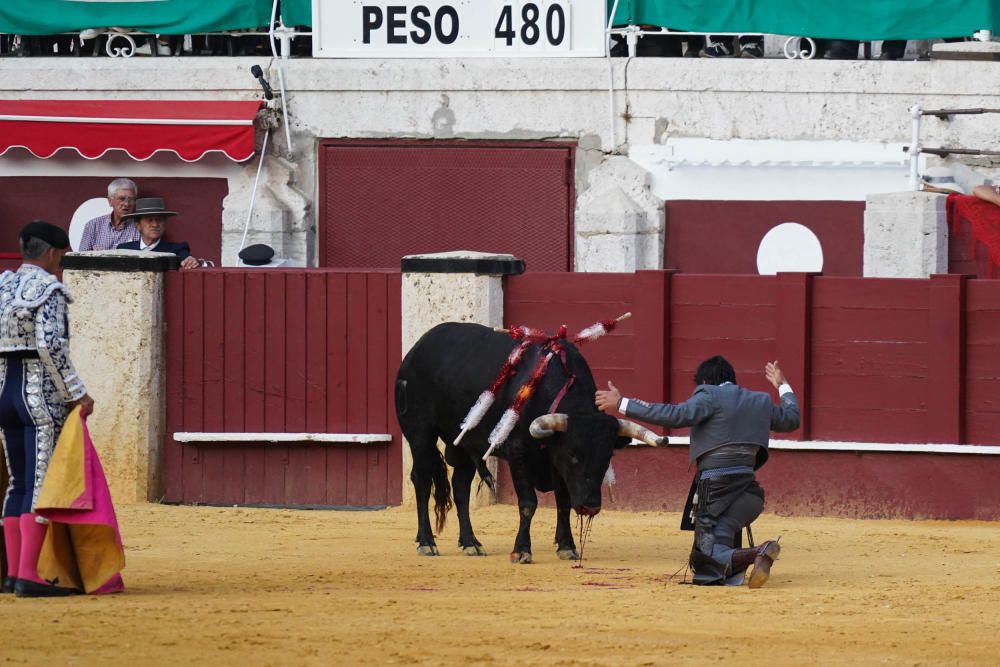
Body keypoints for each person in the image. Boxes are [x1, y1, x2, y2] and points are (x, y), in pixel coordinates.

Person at [595, 356, 799, 588]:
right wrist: (782, 384)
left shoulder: (708, 395)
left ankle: (757, 552)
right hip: (750, 496)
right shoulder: (760, 401)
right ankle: (753, 556)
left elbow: (674, 415)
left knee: (704, 560)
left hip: (715, 490)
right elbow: (792, 418)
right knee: (718, 548)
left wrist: (622, 403)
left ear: (704, 382)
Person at [0, 221, 94, 597]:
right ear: (53, 253)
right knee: (39, 486)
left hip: (3, 394)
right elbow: (50, 346)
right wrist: (77, 393)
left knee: (17, 484)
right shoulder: (50, 290)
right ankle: (28, 576)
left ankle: (11, 576)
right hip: (38, 397)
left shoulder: (3, 287)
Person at [115, 198, 208, 270]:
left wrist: (190, 261)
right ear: (138, 225)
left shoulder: (176, 249)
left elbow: (186, 258)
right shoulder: (124, 249)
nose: (155, 224)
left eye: (159, 220)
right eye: (149, 220)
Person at [78, 178, 141, 251]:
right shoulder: (93, 225)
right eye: (121, 199)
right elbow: (81, 258)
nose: (126, 204)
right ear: (110, 201)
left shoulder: (140, 226)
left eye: (131, 199)